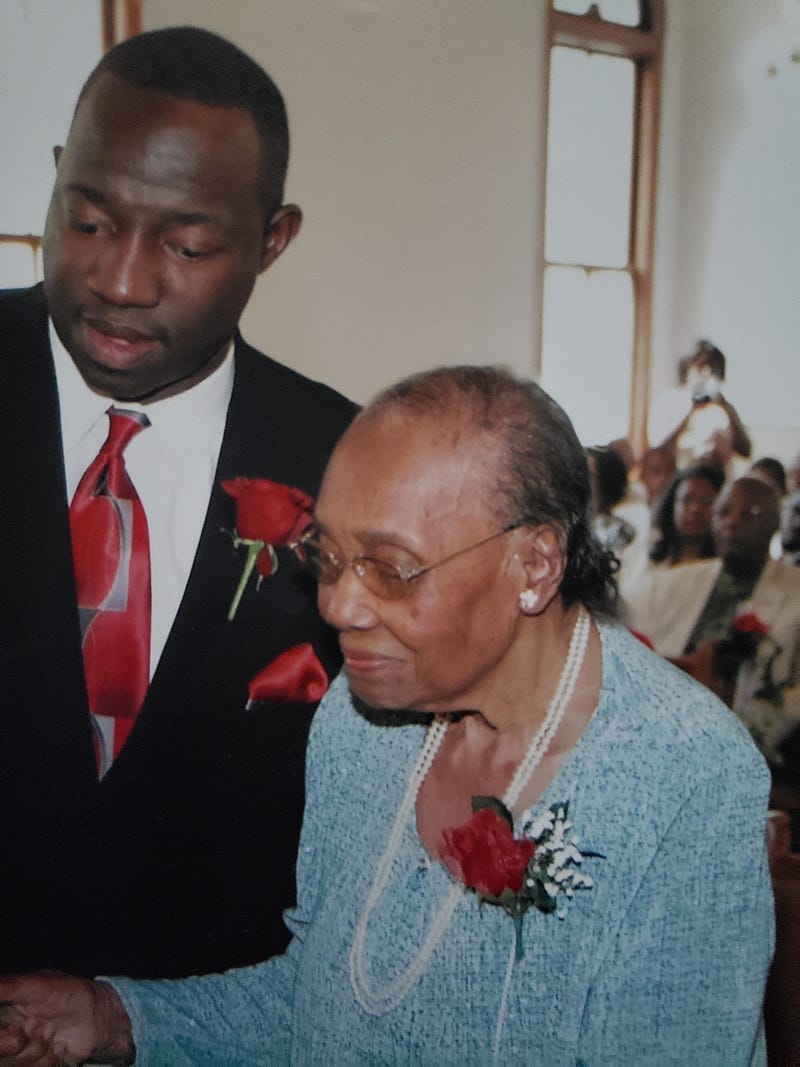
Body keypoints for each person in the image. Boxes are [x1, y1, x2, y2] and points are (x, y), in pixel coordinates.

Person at [0, 367, 773, 1065]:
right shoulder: (358, 717)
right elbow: (318, 999)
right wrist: (115, 1017)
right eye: (329, 558)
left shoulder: (685, 780)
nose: (338, 603)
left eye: (391, 569)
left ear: (534, 565)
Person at [0, 27, 356, 980]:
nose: (121, 280)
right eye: (87, 220)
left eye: (188, 244)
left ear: (271, 241)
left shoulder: (343, 466)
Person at [626, 477, 800, 813]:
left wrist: (744, 734)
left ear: (774, 523)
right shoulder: (683, 580)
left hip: (763, 749)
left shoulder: (795, 592)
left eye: (748, 515)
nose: (731, 523)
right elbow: (630, 629)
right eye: (723, 513)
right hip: (669, 734)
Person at [649, 339, 752, 471]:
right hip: (679, 477)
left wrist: (726, 409)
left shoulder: (724, 408)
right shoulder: (668, 401)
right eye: (701, 366)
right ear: (687, 368)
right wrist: (690, 411)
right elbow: (659, 449)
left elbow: (746, 451)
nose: (707, 373)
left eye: (713, 368)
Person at [649, 463, 725, 567]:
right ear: (671, 506)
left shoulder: (722, 567)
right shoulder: (652, 561)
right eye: (687, 499)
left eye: (706, 501)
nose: (695, 509)